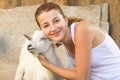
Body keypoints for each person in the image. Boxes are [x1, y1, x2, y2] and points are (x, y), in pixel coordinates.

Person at [34, 2, 120, 80]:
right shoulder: (64, 39)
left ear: (65, 20)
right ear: (42, 30)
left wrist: (46, 64)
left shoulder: (82, 30)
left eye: (56, 21)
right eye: (46, 26)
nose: (53, 28)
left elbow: (81, 77)